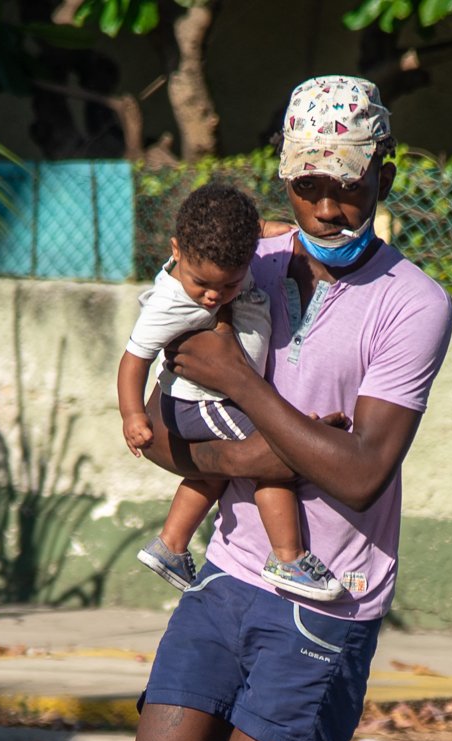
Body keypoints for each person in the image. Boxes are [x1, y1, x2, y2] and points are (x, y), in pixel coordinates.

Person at [6, 75, 452, 741]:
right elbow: (161, 429)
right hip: (228, 574)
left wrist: (239, 391)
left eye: (349, 187)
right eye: (309, 185)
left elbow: (358, 471)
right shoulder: (235, 258)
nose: (329, 207)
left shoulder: (415, 305)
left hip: (325, 601)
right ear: (285, 178)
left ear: (383, 177)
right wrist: (267, 441)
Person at [119, 182, 343, 602]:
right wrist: (133, 415)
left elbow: (254, 228)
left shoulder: (225, 247)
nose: (212, 296)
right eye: (201, 283)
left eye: (229, 285)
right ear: (177, 251)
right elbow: (134, 359)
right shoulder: (169, 303)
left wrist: (287, 234)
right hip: (203, 399)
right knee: (272, 456)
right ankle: (288, 556)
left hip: (216, 397)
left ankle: (170, 545)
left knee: (215, 473)